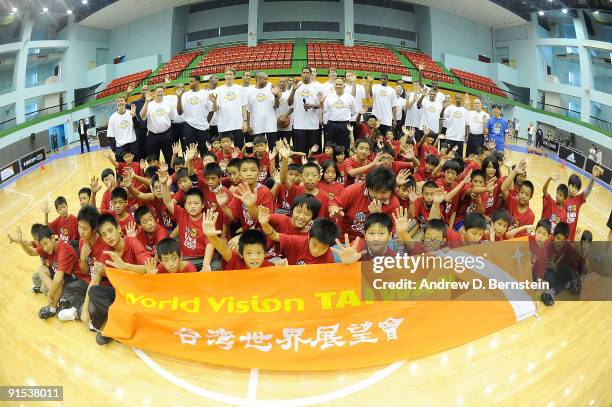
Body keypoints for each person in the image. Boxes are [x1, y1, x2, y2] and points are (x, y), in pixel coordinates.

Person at [88, 214, 151, 344]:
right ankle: (120, 323)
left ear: (118, 229)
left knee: (95, 310)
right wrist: (83, 309)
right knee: (94, 291)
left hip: (138, 292)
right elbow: (96, 279)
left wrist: (125, 266)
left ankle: (117, 326)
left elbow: (148, 267)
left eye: (110, 231)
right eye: (104, 234)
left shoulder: (132, 242)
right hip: (121, 292)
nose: (109, 237)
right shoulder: (107, 251)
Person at [329, 166, 399, 240]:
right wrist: (334, 210)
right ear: (367, 187)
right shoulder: (353, 190)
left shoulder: (394, 204)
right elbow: (334, 203)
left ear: (392, 191)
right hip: (344, 239)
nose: (378, 196)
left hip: (371, 243)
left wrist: (378, 217)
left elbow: (390, 234)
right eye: (375, 191)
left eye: (384, 192)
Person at [288, 67, 322, 154]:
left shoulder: (316, 87)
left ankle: (312, 167)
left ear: (311, 74)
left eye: (307, 73)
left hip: (313, 125)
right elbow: (289, 103)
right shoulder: (296, 86)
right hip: (299, 125)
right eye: (304, 73)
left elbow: (320, 105)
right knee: (300, 151)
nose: (305, 74)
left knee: (313, 152)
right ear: (301, 74)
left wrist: (311, 105)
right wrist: (294, 90)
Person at [177, 75, 213, 156]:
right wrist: (179, 98)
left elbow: (211, 111)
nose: (189, 83)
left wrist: (206, 122)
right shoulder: (185, 95)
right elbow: (179, 112)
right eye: (189, 81)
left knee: (205, 151)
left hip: (203, 126)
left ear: (198, 81)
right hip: (189, 126)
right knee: (190, 152)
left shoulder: (205, 94)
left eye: (192, 81)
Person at [140, 85, 175, 164]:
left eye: (161, 91)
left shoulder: (169, 104)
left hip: (167, 135)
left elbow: (172, 118)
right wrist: (146, 102)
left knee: (169, 157)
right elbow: (142, 117)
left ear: (163, 92)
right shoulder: (149, 104)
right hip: (153, 136)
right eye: (158, 92)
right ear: (154, 93)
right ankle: (155, 176)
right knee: (154, 160)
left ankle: (171, 174)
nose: (159, 93)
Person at [319, 77, 357, 151]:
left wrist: (344, 116)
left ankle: (343, 162)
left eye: (340, 84)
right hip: (331, 125)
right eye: (336, 84)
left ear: (344, 86)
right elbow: (323, 110)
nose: (338, 86)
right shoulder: (329, 97)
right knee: (330, 147)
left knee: (344, 146)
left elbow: (353, 111)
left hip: (344, 125)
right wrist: (321, 103)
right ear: (334, 85)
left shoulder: (350, 97)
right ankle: (330, 162)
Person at [211, 68, 244, 148]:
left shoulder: (240, 89)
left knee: (238, 149)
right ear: (224, 76)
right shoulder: (218, 90)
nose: (228, 76)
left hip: (238, 124)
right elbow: (215, 109)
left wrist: (245, 122)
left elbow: (244, 106)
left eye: (230, 74)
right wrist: (214, 102)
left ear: (234, 76)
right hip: (224, 125)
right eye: (226, 74)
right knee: (225, 151)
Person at [244, 72, 280, 146]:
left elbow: (276, 106)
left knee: (273, 149)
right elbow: (248, 110)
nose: (266, 81)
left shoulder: (271, 90)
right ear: (259, 79)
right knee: (258, 149)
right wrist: (248, 124)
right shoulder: (249, 92)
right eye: (265, 79)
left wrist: (276, 97)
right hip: (256, 126)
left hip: (271, 125)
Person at [108, 95, 139, 162]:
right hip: (120, 148)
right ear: (117, 103)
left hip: (132, 145)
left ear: (125, 102)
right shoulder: (112, 118)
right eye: (118, 101)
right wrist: (115, 150)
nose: (120, 102)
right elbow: (111, 136)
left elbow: (137, 127)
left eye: (122, 100)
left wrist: (134, 116)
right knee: (122, 170)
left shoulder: (131, 113)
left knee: (136, 167)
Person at [345, 71, 366, 138]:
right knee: (347, 140)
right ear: (345, 78)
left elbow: (367, 99)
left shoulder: (360, 87)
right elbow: (352, 97)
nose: (349, 77)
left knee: (358, 139)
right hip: (347, 118)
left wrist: (365, 87)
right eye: (347, 76)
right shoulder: (344, 87)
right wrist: (354, 83)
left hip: (358, 118)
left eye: (350, 75)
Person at [133, 84, 150, 160]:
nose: (145, 91)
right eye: (143, 90)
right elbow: (124, 102)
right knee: (140, 157)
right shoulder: (136, 103)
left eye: (146, 89)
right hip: (139, 133)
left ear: (149, 91)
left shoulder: (153, 102)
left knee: (151, 155)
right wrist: (128, 93)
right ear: (141, 91)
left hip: (150, 132)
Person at [275, 77, 293, 144]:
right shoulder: (274, 93)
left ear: (287, 83)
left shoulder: (289, 93)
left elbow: (292, 107)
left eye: (283, 82)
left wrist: (285, 117)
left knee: (286, 145)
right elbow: (274, 106)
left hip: (287, 124)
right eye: (280, 82)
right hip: (275, 125)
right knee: (276, 146)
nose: (281, 83)